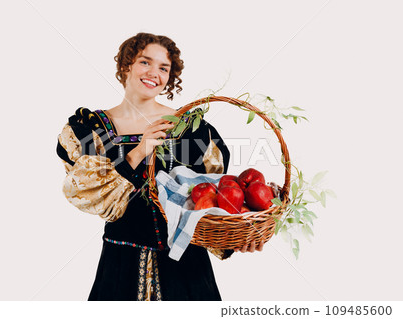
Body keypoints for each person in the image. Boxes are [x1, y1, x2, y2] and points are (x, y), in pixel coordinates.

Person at [56, 32, 263, 301]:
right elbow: (86, 194)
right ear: (126, 65)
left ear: (170, 76)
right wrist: (140, 150)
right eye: (145, 62)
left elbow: (213, 200)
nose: (154, 72)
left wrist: (237, 236)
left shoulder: (192, 129)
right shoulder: (89, 129)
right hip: (120, 265)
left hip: (188, 268)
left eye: (163, 68)